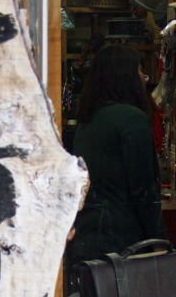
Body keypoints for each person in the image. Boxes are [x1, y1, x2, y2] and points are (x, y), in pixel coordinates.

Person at [66, 45, 168, 268]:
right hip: (120, 241)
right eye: (140, 71)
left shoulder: (89, 119)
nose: (143, 78)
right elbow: (143, 190)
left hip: (88, 234)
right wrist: (159, 241)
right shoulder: (131, 118)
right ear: (127, 76)